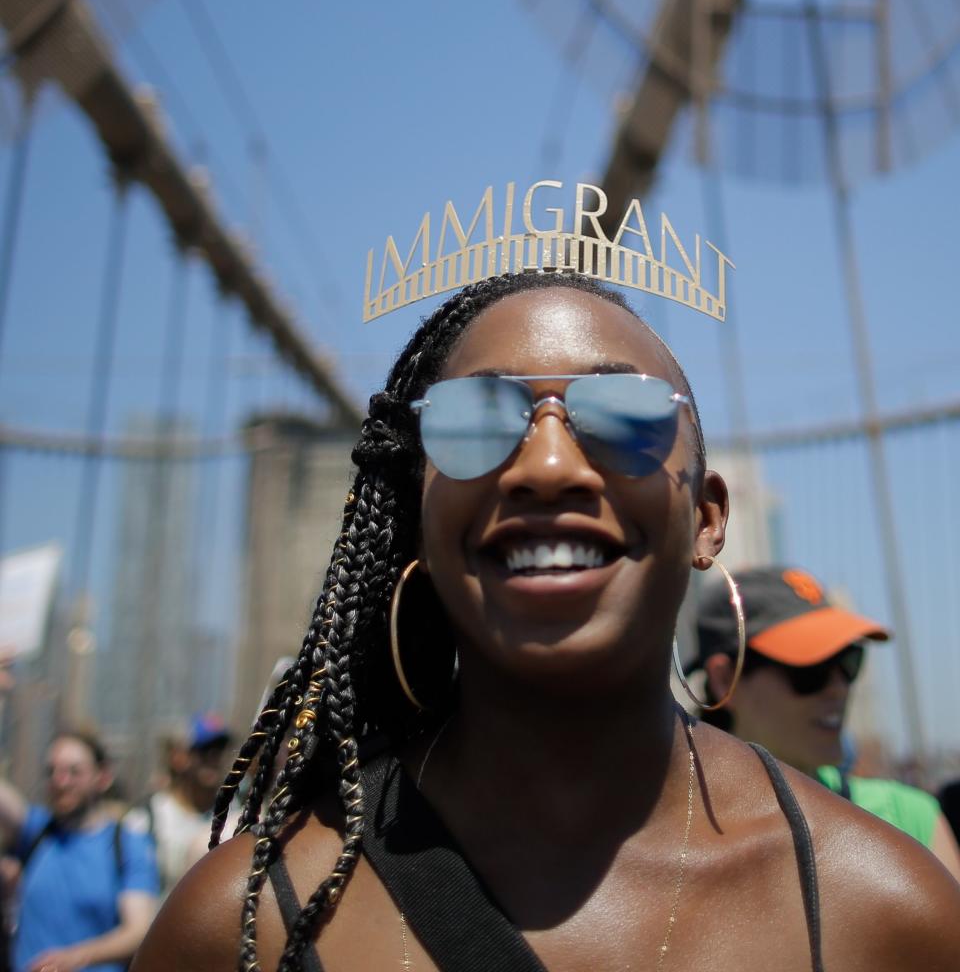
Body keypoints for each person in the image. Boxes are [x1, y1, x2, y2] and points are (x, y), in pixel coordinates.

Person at [133, 269, 960, 971]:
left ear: (709, 519)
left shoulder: (887, 917)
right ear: (418, 515)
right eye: (475, 421)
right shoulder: (240, 927)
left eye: (626, 416)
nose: (549, 465)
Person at [689, 563, 960, 877]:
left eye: (847, 661)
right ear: (725, 679)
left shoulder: (908, 820)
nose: (839, 687)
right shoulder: (677, 835)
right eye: (811, 671)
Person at [0, 728, 158, 972]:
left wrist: (75, 958)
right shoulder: (35, 832)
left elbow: (138, 930)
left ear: (102, 777)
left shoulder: (127, 844)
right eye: (52, 771)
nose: (60, 782)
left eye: (74, 772)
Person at [134, 715, 232, 897]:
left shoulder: (237, 816)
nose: (213, 758)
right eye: (203, 750)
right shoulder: (148, 818)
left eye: (220, 750)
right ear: (179, 757)